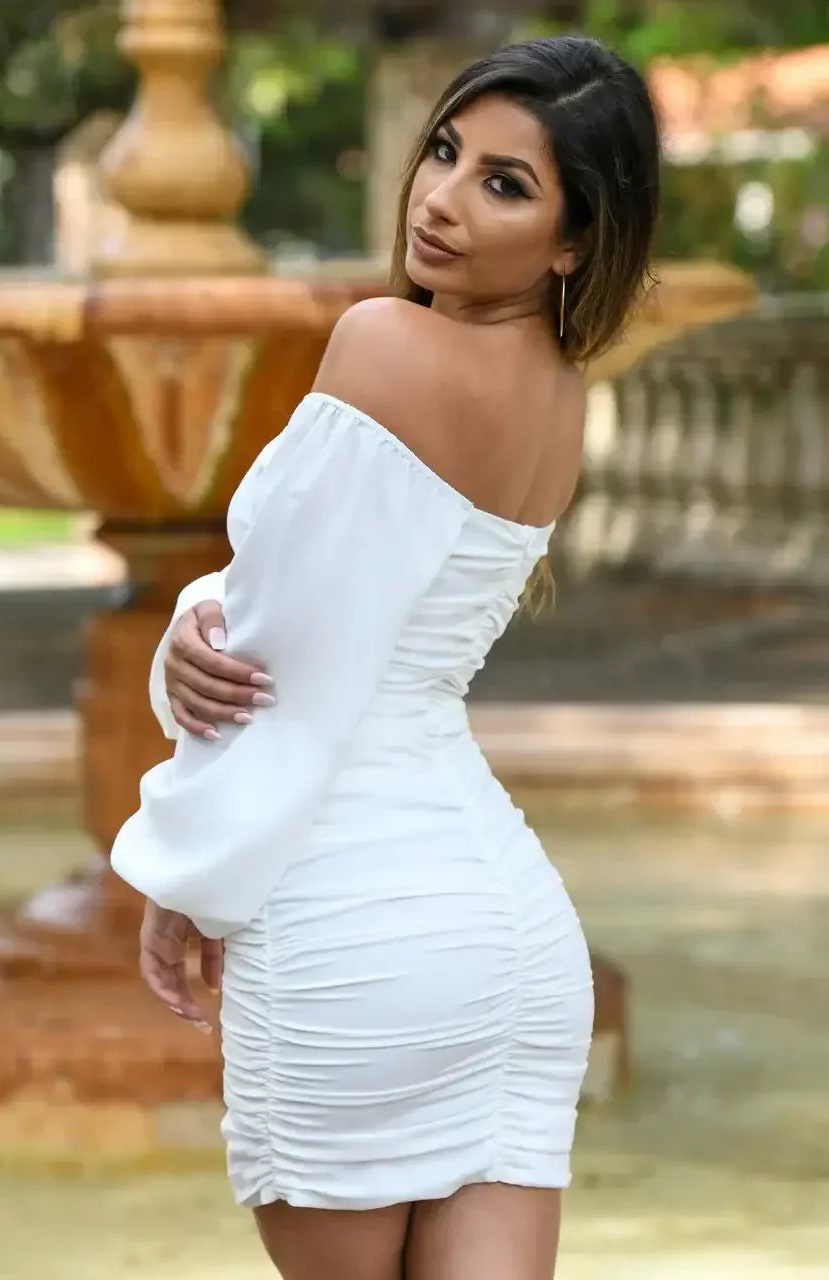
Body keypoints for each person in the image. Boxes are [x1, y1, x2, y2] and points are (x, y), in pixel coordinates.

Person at [111, 34, 660, 1280]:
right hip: (513, 942)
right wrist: (205, 619)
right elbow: (364, 622)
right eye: (450, 152)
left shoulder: (385, 344)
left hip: (358, 933)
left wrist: (184, 879)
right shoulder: (560, 391)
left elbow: (276, 676)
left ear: (576, 240)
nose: (443, 196)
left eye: (506, 185)